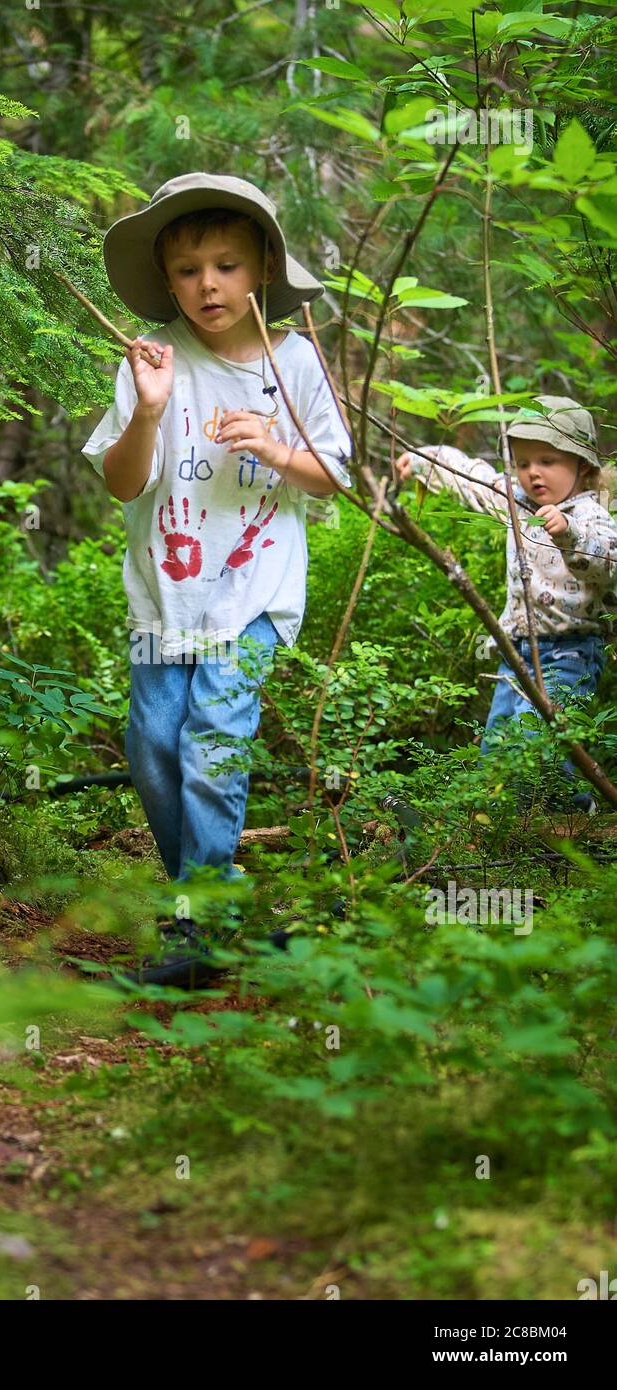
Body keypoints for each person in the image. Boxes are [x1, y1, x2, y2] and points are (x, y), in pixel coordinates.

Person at [81, 172, 352, 927]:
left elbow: (333, 477)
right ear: (166, 280)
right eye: (188, 270)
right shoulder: (150, 361)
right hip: (167, 598)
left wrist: (272, 445)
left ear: (264, 267)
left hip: (255, 596)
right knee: (153, 749)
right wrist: (151, 411)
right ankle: (206, 893)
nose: (208, 285)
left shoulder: (291, 362)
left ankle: (204, 919)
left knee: (212, 741)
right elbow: (122, 484)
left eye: (227, 265)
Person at [397, 396, 617, 812]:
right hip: (516, 651)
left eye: (548, 461)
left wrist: (569, 533)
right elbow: (472, 479)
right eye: (523, 462)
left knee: (540, 741)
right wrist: (425, 460)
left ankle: (570, 817)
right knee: (500, 745)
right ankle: (506, 827)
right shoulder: (517, 502)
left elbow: (609, 558)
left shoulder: (592, 514)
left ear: (583, 466)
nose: (533, 472)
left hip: (571, 651)